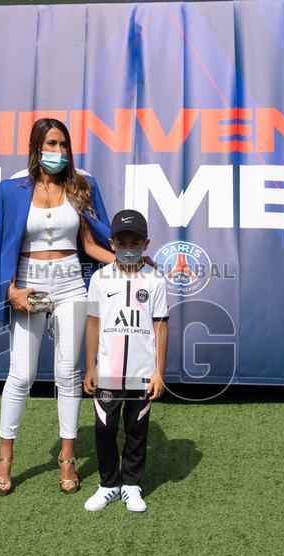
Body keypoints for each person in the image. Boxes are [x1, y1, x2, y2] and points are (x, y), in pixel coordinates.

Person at [0, 118, 114, 495]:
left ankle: (67, 457)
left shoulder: (81, 185)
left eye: (63, 144)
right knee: (21, 374)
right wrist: (10, 291)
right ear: (36, 147)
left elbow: (90, 243)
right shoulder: (11, 190)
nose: (58, 151)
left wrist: (127, 260)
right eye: (51, 144)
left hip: (70, 283)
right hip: (27, 285)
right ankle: (4, 457)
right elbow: (1, 245)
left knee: (67, 372)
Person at [82, 210, 169, 513]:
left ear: (146, 244)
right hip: (108, 372)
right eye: (122, 242)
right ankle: (108, 484)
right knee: (105, 429)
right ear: (112, 243)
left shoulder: (155, 280)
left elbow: (161, 326)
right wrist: (90, 366)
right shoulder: (99, 278)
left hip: (142, 373)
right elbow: (93, 323)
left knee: (137, 430)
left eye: (135, 243)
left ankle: (131, 485)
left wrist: (159, 372)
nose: (128, 248)